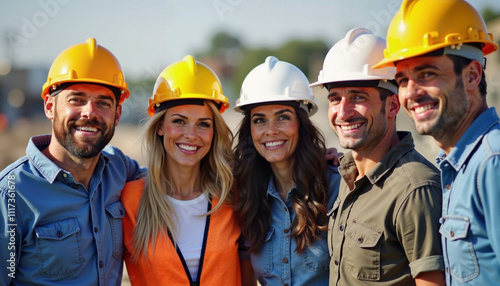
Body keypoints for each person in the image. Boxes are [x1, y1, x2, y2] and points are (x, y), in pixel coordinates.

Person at [373, 0, 500, 284]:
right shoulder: (458, 166)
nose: (411, 93)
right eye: (402, 80)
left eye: (427, 74)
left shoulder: (492, 163)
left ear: (471, 75)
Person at [0, 38, 144, 285]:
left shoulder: (120, 169)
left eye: (103, 103)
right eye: (76, 99)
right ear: (49, 107)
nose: (89, 112)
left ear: (117, 114)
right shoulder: (11, 193)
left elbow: (175, 182)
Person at [310, 28, 445, 285]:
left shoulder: (416, 189)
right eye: (335, 99)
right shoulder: (346, 176)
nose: (343, 112)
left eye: (358, 97)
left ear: (393, 105)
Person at [121, 55, 254, 285]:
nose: (191, 135)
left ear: (214, 133)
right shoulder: (130, 200)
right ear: (160, 127)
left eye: (203, 124)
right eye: (179, 121)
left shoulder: (232, 194)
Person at [233, 56, 341, 285]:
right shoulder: (247, 196)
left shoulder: (337, 186)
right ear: (249, 129)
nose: (270, 131)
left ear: (302, 123)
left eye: (282, 117)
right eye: (259, 120)